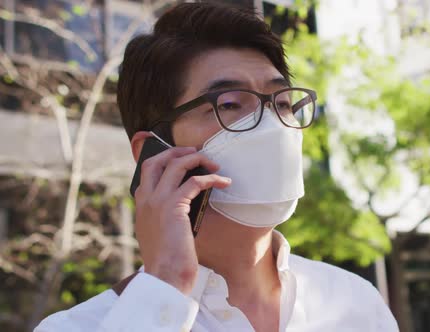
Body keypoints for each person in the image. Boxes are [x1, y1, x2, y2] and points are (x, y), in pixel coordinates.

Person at [35, 2, 398, 331]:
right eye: (229, 104)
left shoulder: (354, 303)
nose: (273, 125)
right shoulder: (78, 327)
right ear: (153, 152)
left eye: (283, 102)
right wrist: (165, 284)